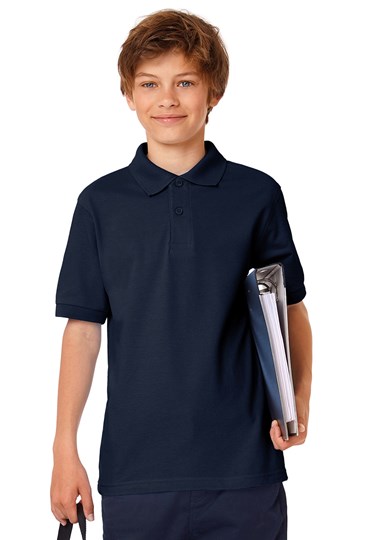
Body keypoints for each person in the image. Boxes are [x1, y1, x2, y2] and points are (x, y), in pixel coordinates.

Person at [50, 8, 312, 540]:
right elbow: (83, 330)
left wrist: (299, 402)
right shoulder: (100, 204)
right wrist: (64, 450)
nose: (167, 98)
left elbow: (290, 309)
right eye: (150, 83)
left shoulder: (257, 195)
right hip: (136, 472)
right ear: (128, 94)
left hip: (245, 468)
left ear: (214, 92)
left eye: (185, 82)